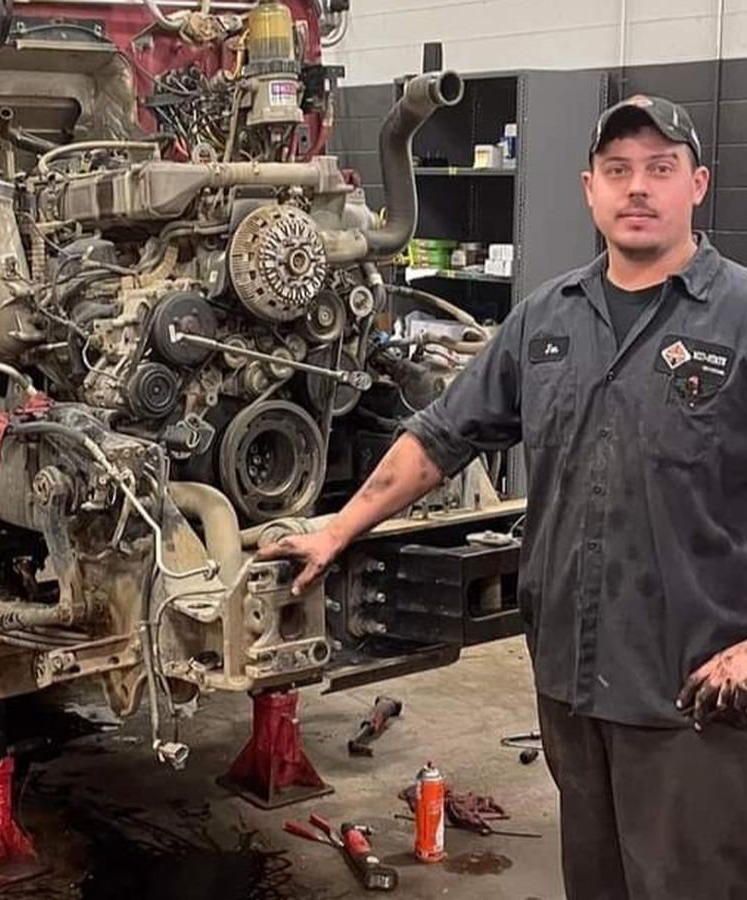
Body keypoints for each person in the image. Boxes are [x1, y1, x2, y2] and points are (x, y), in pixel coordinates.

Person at [258, 94, 747, 900]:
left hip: (692, 697)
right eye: (618, 170)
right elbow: (440, 437)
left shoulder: (737, 316)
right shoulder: (546, 319)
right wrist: (338, 528)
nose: (637, 187)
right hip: (570, 683)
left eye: (661, 169)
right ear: (589, 189)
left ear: (698, 184)